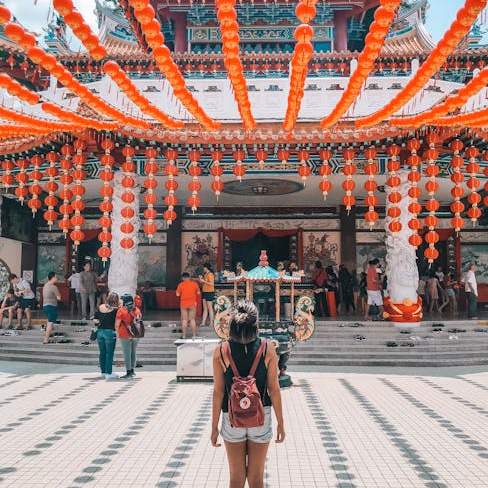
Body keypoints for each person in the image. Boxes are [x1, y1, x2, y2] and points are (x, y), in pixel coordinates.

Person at [211, 300, 285, 488]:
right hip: (261, 416)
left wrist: (214, 427)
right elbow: (274, 389)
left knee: (236, 478)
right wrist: (280, 423)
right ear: (255, 324)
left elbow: (218, 392)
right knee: (256, 478)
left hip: (231, 416)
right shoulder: (267, 348)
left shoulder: (221, 350)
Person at [94, 292, 119, 380]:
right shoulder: (116, 310)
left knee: (102, 353)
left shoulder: (100, 307)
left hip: (100, 332)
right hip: (110, 332)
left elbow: (95, 320)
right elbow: (117, 323)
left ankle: (103, 372)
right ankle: (109, 373)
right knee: (109, 353)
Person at [115, 294, 141, 379]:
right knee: (133, 352)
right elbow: (139, 320)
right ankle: (132, 371)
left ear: (125, 301)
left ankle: (128, 372)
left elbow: (117, 324)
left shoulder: (121, 310)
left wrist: (117, 332)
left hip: (125, 334)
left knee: (127, 353)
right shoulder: (136, 309)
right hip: (136, 334)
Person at [176, 272, 201, 339]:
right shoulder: (194, 284)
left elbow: (177, 294)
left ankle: (184, 336)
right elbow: (198, 293)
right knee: (192, 319)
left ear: (183, 278)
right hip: (192, 304)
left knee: (184, 320)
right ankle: (194, 335)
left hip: (183, 304)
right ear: (189, 277)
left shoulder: (180, 285)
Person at [42, 272, 61, 344]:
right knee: (50, 322)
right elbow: (59, 297)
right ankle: (46, 339)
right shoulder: (53, 287)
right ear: (52, 278)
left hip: (45, 306)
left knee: (49, 321)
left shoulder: (45, 285)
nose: (57, 278)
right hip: (51, 306)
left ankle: (47, 334)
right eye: (56, 277)